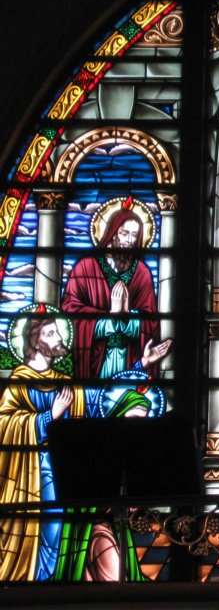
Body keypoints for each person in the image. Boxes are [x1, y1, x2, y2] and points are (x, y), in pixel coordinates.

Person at [0, 310, 169, 582]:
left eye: (57, 331)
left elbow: (103, 400)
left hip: (68, 475)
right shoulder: (18, 384)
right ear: (35, 342)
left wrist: (141, 366)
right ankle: (38, 583)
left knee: (72, 531)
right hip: (32, 478)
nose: (58, 337)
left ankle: (69, 578)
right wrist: (48, 417)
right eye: (50, 333)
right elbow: (4, 425)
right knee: (47, 532)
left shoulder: (68, 386)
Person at [62, 198, 161, 380]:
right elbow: (69, 310)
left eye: (134, 235)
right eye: (124, 233)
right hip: (94, 358)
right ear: (112, 233)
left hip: (131, 356)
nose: (129, 241)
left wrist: (127, 315)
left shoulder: (142, 272)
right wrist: (108, 319)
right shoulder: (85, 267)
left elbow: (151, 321)